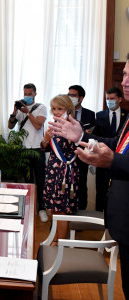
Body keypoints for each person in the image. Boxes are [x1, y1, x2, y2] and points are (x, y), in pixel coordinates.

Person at [49, 52, 129, 299]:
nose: (125, 81)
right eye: (125, 74)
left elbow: (117, 154)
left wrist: (113, 160)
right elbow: (117, 143)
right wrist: (81, 137)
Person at [41, 95, 79, 244]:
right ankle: (55, 237)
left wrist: (71, 140)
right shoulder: (54, 125)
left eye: (60, 108)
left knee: (62, 208)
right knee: (53, 206)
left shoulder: (72, 125)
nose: (56, 112)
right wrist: (45, 138)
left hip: (65, 170)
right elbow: (44, 148)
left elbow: (75, 148)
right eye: (54, 109)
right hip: (53, 168)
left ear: (68, 109)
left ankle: (60, 242)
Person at [8, 83, 48, 222]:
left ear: (35, 94)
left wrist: (28, 112)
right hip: (23, 149)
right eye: (25, 93)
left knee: (40, 180)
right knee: (25, 180)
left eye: (29, 94)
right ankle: (27, 208)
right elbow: (10, 125)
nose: (27, 96)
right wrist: (14, 111)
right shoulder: (20, 108)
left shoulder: (41, 107)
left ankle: (41, 209)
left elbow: (38, 125)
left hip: (37, 148)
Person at [93, 87, 128, 211]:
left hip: (120, 160)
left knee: (117, 192)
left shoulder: (127, 115)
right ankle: (99, 221)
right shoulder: (99, 115)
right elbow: (97, 136)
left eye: (112, 99)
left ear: (120, 99)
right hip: (102, 160)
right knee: (101, 191)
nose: (109, 101)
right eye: (107, 99)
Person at [68, 85, 96, 210]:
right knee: (68, 183)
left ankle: (81, 212)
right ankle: (68, 209)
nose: (70, 97)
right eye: (69, 95)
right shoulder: (65, 113)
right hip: (67, 154)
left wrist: (89, 133)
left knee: (82, 183)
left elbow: (94, 135)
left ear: (81, 98)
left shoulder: (90, 114)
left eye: (73, 95)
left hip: (83, 153)